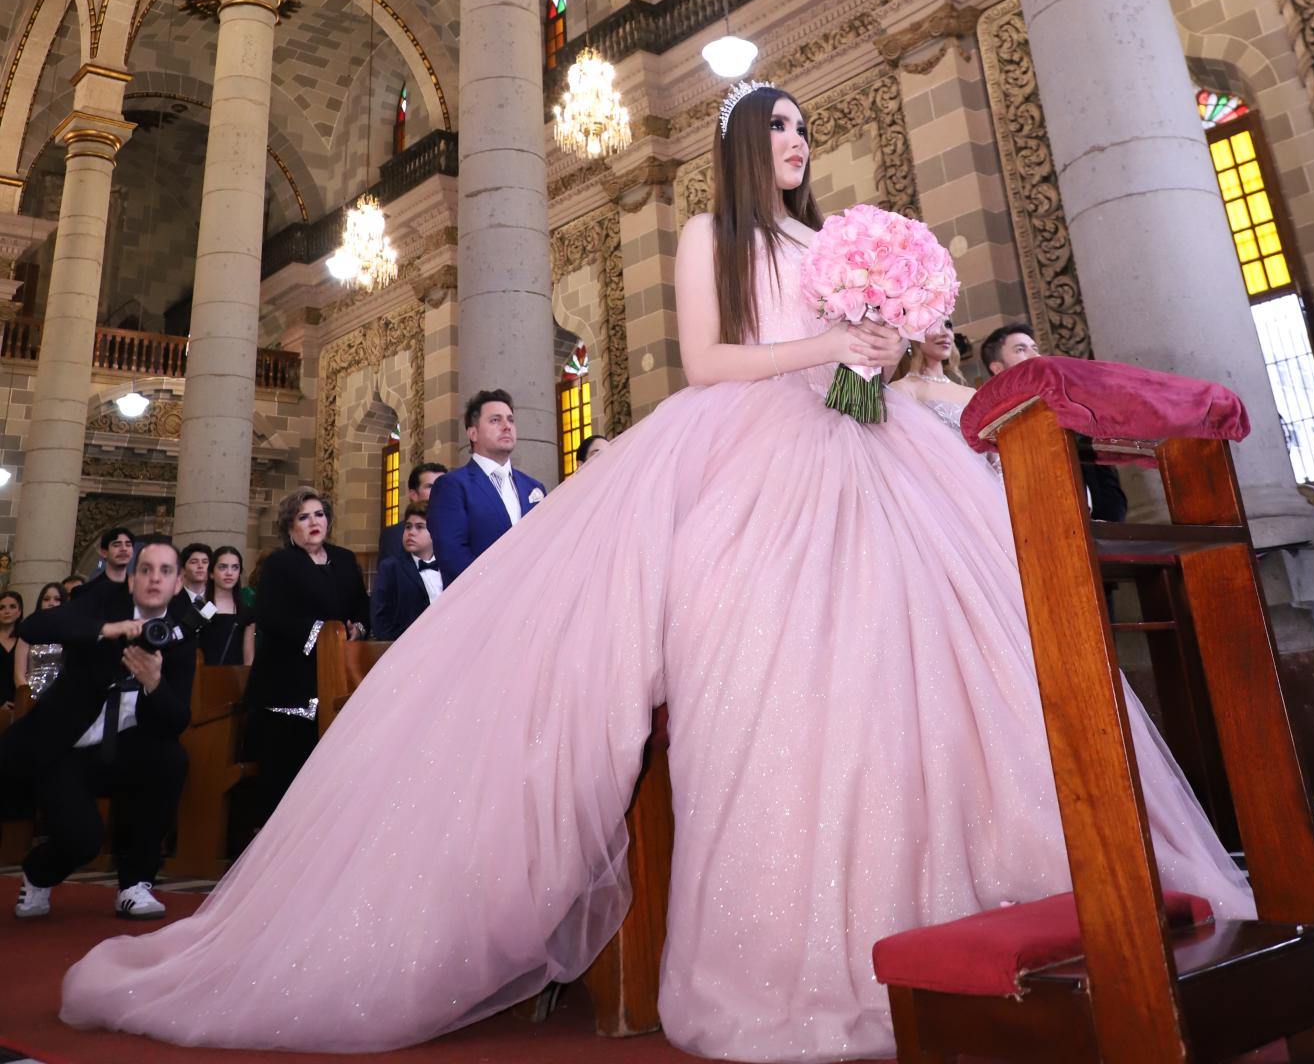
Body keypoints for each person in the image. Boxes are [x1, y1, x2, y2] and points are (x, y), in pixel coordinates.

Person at [61, 81, 1252, 1058]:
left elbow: (868, 374)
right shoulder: (709, 234)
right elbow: (711, 357)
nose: (794, 141)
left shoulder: (836, 239)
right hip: (755, 450)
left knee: (939, 666)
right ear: (740, 144)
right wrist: (830, 341)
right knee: (778, 677)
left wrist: (895, 350)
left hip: (869, 449)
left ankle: (998, 887)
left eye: (801, 126)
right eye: (775, 125)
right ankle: (790, 951)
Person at [3, 537, 194, 920]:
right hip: (65, 749)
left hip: (123, 752)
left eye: (166, 571)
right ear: (131, 579)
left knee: (171, 759)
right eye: (146, 569)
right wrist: (107, 629)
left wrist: (155, 684)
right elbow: (38, 627)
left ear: (177, 584)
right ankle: (38, 874)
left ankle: (135, 884)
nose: (155, 579)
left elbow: (177, 720)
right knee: (83, 839)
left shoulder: (176, 636)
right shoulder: (102, 603)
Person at [243, 490, 369, 824]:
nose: (314, 522)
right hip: (286, 681)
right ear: (289, 528)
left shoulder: (343, 559)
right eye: (303, 517)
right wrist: (321, 635)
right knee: (285, 770)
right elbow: (270, 614)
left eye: (319, 514)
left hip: (336, 676)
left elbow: (360, 605)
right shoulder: (280, 564)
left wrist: (356, 627)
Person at [982, 321, 1129, 522]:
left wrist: (1111, 522)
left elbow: (1102, 471)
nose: (1035, 356)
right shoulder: (996, 423)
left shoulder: (1068, 403)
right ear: (998, 368)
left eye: (1035, 348)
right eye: (1020, 350)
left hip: (1103, 527)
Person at [427, 392, 545, 585]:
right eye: (495, 420)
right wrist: (499, 589)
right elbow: (452, 555)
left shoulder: (533, 487)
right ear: (472, 433)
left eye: (510, 420)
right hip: (478, 602)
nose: (507, 426)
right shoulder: (452, 486)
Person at [370, 508, 442, 641]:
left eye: (420, 527)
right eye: (408, 527)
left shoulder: (448, 566)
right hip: (406, 647)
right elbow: (379, 620)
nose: (411, 532)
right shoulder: (391, 568)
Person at [376, 460, 449, 563]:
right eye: (431, 487)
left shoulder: (461, 528)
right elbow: (391, 575)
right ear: (413, 494)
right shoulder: (395, 535)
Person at [201, 546, 255, 668]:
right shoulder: (201, 608)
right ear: (211, 573)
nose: (229, 573)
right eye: (223, 567)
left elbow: (248, 659)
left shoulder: (246, 612)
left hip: (234, 681)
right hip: (201, 681)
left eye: (235, 567)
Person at [16, 582, 67, 699]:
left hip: (63, 695)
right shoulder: (28, 631)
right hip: (31, 695)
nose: (51, 603)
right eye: (46, 599)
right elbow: (18, 674)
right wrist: (27, 696)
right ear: (40, 603)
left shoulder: (71, 632)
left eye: (57, 599)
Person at [78, 527, 135, 591]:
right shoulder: (87, 590)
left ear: (132, 552)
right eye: (116, 545)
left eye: (128, 545)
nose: (124, 549)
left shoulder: (138, 591)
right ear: (104, 553)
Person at [0, 589, 21, 712]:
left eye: (12, 607)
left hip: (20, 704)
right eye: (1, 608)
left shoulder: (25, 640)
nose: (7, 611)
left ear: (19, 611)